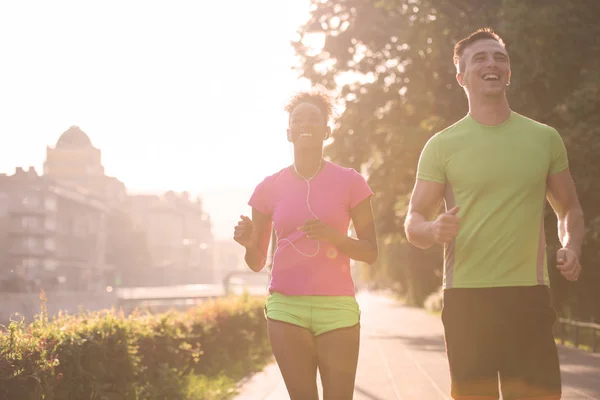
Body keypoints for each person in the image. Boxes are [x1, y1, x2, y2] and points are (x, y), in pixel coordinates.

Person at [404, 28, 584, 400]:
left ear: (509, 72)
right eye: (480, 58)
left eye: (499, 57)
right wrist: (433, 229)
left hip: (529, 296)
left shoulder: (544, 138)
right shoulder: (441, 146)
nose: (492, 63)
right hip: (467, 300)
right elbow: (414, 221)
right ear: (461, 77)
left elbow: (569, 207)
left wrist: (572, 245)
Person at [233, 91, 378, 399]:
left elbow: (370, 251)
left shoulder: (351, 182)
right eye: (297, 119)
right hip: (287, 308)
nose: (305, 124)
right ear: (288, 132)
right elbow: (258, 262)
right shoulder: (268, 188)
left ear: (327, 130)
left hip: (337, 308)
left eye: (314, 118)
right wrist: (248, 245)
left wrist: (334, 237)